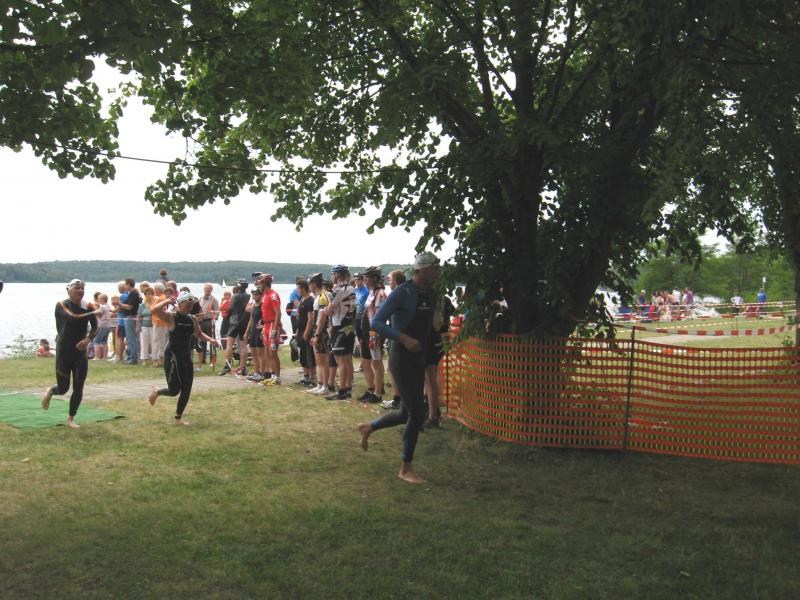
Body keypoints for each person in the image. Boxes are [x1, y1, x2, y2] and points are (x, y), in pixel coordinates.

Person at [358, 252, 441, 484]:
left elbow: (427, 326)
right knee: (417, 413)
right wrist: (404, 338)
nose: (438, 272)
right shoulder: (402, 293)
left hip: (419, 356)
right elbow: (376, 322)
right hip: (401, 357)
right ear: (421, 270)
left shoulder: (431, 293)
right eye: (434, 268)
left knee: (406, 413)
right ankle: (405, 468)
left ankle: (369, 428)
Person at [148, 292, 220, 425]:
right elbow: (155, 309)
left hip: (186, 356)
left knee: (187, 388)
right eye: (187, 305)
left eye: (191, 306)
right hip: (173, 356)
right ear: (180, 304)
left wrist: (211, 340)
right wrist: (167, 301)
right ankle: (157, 391)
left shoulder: (193, 319)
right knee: (174, 390)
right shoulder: (171, 317)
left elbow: (199, 334)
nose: (190, 308)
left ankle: (178, 418)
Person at [41, 279, 99, 429]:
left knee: (79, 387)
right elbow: (72, 317)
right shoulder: (61, 305)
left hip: (80, 352)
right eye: (77, 288)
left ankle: (71, 418)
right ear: (69, 290)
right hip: (64, 352)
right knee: (63, 388)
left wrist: (88, 339)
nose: (80, 290)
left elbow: (95, 327)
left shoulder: (88, 306)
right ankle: (51, 391)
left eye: (82, 288)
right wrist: (93, 312)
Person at [325, 265, 357, 400]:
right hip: (350, 326)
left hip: (339, 326)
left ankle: (342, 390)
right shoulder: (351, 288)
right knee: (348, 359)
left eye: (333, 274)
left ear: (337, 275)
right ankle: (348, 388)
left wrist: (325, 309)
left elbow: (329, 311)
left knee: (340, 360)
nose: (332, 277)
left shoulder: (338, 290)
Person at [425, 294, 454, 428]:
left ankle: (433, 414)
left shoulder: (429, 298)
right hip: (443, 338)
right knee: (433, 375)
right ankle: (433, 409)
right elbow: (452, 313)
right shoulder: (446, 299)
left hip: (431, 339)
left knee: (429, 377)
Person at [360, 266, 387, 404]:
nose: (364, 280)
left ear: (375, 278)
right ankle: (371, 389)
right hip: (366, 332)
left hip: (374, 332)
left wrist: (375, 334)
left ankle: (378, 393)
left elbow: (380, 315)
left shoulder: (380, 294)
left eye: (367, 277)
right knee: (365, 361)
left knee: (376, 362)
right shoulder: (371, 292)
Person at [381, 268, 407, 409]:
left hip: (396, 335)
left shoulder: (396, 295)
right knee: (397, 369)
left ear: (395, 281)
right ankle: (401, 399)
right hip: (401, 335)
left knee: (393, 369)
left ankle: (398, 399)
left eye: (390, 279)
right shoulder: (407, 294)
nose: (388, 282)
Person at [308, 273, 332, 395]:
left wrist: (317, 335)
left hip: (322, 331)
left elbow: (322, 318)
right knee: (318, 360)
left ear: (313, 284)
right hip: (317, 330)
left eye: (309, 284)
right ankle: (320, 384)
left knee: (323, 360)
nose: (309, 286)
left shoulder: (323, 296)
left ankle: (325, 386)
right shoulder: (318, 296)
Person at [220, 279, 250, 376]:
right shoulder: (249, 296)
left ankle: (227, 366)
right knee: (243, 346)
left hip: (234, 323)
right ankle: (243, 368)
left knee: (229, 345)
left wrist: (226, 312)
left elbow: (231, 308)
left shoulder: (235, 296)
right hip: (244, 322)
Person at [258, 274, 283, 385]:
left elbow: (278, 312)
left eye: (260, 283)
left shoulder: (273, 295)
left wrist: (275, 329)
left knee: (273, 352)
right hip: (266, 325)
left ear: (265, 283)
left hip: (273, 324)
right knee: (268, 352)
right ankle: (272, 375)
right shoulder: (265, 295)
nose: (259, 286)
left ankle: (277, 377)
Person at [295, 278, 317, 387]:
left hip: (307, 332)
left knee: (309, 354)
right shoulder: (302, 300)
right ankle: (306, 376)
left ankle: (312, 377)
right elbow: (299, 317)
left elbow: (310, 319)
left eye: (298, 288)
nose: (297, 290)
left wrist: (306, 332)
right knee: (303, 354)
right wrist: (297, 331)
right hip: (300, 330)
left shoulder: (310, 301)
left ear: (303, 288)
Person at [244, 287, 267, 381]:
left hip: (259, 332)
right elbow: (251, 319)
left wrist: (264, 327)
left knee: (260, 353)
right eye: (253, 294)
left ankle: (262, 373)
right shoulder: (253, 305)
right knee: (253, 353)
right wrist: (246, 332)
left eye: (256, 294)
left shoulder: (263, 305)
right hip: (253, 331)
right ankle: (256, 372)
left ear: (261, 295)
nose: (254, 296)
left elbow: (268, 318)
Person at [118, 278, 142, 364]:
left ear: (128, 284)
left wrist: (119, 304)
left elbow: (129, 307)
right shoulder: (132, 293)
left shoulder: (133, 293)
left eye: (125, 284)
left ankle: (133, 357)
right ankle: (130, 356)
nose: (124, 286)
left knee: (131, 338)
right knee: (129, 338)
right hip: (128, 317)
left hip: (130, 317)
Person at [197, 283, 220, 370]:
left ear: (211, 290)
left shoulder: (214, 300)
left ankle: (212, 360)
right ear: (204, 289)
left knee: (212, 341)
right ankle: (202, 359)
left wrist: (214, 317)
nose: (207, 290)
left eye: (209, 289)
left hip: (210, 321)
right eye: (206, 288)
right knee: (202, 341)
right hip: (201, 322)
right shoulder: (200, 299)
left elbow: (217, 312)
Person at [138, 287, 156, 365]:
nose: (148, 296)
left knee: (154, 343)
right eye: (146, 294)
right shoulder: (142, 305)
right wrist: (137, 326)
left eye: (150, 294)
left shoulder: (155, 304)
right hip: (144, 326)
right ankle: (144, 359)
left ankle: (155, 358)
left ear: (152, 294)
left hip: (153, 326)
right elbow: (139, 316)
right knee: (144, 342)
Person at [92, 293, 113, 360]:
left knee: (96, 341)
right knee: (104, 341)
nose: (98, 300)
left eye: (99, 299)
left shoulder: (102, 307)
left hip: (101, 325)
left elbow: (97, 314)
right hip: (108, 326)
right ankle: (105, 357)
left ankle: (97, 357)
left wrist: (93, 309)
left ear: (103, 299)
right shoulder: (108, 306)